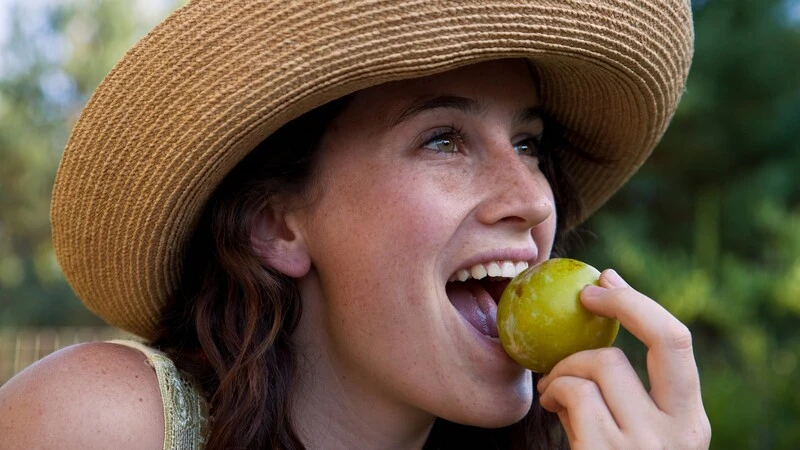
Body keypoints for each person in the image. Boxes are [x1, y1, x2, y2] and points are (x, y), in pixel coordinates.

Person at [0, 1, 711, 449]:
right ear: (277, 225)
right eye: (444, 139)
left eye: (529, 146)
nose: (531, 196)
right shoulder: (106, 422)